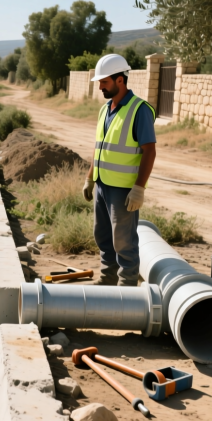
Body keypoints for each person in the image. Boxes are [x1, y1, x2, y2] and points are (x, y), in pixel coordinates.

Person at [82, 54, 157, 286]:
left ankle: (127, 290)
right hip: (102, 185)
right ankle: (107, 281)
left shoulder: (139, 110)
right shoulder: (105, 109)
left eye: (104, 82)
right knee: (103, 237)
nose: (100, 87)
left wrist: (139, 188)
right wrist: (89, 178)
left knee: (123, 243)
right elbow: (100, 147)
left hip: (123, 190)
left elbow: (150, 151)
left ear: (120, 80)